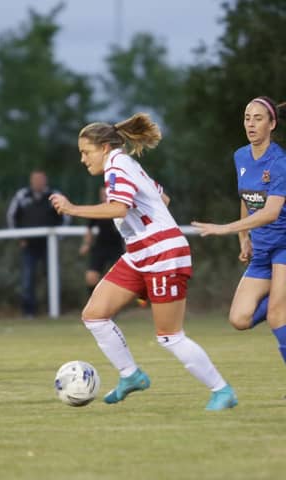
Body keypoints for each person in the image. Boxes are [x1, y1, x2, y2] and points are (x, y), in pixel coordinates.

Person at [49, 112, 237, 410]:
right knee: (95, 314)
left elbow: (119, 209)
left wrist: (73, 208)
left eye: (86, 152)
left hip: (163, 253)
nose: (83, 159)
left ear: (105, 148)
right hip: (140, 254)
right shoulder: (127, 164)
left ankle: (222, 391)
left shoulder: (116, 168)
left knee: (170, 336)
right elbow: (163, 200)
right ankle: (131, 375)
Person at [192, 96, 286, 379]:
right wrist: (243, 236)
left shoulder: (280, 162)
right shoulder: (241, 156)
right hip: (261, 252)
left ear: (272, 124)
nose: (251, 124)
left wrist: (225, 228)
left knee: (276, 316)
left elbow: (270, 213)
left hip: (284, 246)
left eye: (258, 118)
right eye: (247, 117)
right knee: (239, 319)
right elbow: (247, 199)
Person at [6, 170, 67, 317]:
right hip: (29, 245)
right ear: (31, 181)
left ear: (45, 181)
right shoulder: (22, 195)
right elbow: (11, 216)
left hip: (49, 245)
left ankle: (54, 310)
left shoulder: (54, 195)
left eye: (41, 179)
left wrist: (59, 236)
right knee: (27, 278)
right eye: (35, 179)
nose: (38, 182)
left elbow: (65, 215)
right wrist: (19, 237)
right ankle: (29, 312)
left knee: (52, 277)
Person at [79, 186, 125, 298]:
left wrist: (128, 247)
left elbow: (128, 230)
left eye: (106, 195)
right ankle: (94, 303)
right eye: (102, 195)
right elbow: (89, 228)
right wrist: (86, 244)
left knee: (117, 280)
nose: (104, 197)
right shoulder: (98, 210)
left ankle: (112, 306)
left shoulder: (121, 209)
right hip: (100, 247)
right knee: (91, 277)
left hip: (117, 248)